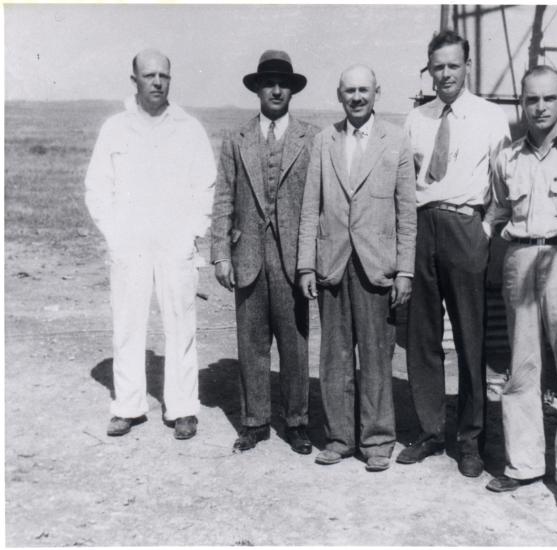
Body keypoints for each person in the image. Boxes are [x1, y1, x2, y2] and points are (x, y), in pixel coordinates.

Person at [85, 49, 216, 439]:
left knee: (181, 323)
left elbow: (205, 184)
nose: (157, 82)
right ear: (135, 81)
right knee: (127, 322)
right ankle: (127, 406)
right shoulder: (115, 129)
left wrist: (193, 233)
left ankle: (183, 409)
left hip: (176, 243)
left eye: (164, 76)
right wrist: (116, 233)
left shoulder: (189, 128)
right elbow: (97, 187)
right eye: (149, 76)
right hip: (130, 244)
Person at [397, 29, 511, 478]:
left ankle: (470, 438)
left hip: (467, 226)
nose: (445, 74)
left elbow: (502, 183)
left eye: (453, 65)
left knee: (470, 338)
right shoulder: (417, 118)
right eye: (437, 66)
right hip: (424, 225)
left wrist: (483, 229)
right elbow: (407, 184)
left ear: (468, 67)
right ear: (430, 69)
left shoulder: (489, 116)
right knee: (422, 337)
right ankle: (428, 431)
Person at [297, 65, 416, 472]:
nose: (357, 97)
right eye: (350, 91)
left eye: (364, 90)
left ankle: (378, 440)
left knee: (377, 356)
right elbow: (310, 207)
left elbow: (406, 213)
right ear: (339, 95)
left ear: (377, 93)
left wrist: (405, 271)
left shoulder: (396, 140)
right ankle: (339, 437)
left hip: (376, 264)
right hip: (332, 262)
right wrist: (305, 266)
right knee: (334, 356)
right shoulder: (323, 141)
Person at [484, 66, 557, 508]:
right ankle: (523, 464)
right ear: (520, 104)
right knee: (522, 366)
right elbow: (498, 212)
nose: (540, 108)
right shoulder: (507, 157)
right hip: (521, 258)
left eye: (548, 98)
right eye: (531, 100)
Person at [210, 50, 318, 454]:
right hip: (248, 256)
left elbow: (319, 202)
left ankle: (297, 422)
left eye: (283, 83)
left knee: (295, 344)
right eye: (268, 83)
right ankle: (254, 421)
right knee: (252, 342)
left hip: (294, 260)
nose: (276, 89)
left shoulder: (311, 138)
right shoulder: (236, 138)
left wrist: (313, 259)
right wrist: (221, 253)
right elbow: (223, 197)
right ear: (257, 89)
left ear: (292, 90)